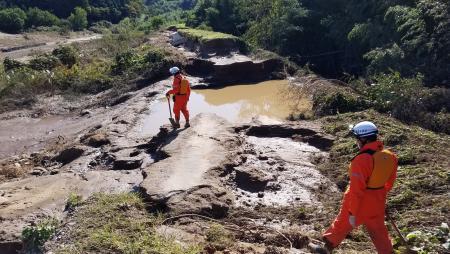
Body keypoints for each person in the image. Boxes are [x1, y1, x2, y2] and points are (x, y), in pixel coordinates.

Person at [309, 121, 398, 254]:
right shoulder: (390, 155)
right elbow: (390, 182)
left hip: (360, 201)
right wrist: (380, 199)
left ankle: (324, 250)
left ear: (364, 139)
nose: (356, 141)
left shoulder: (362, 160)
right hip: (378, 199)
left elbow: (357, 190)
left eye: (357, 138)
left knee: (341, 224)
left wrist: (352, 212)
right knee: (379, 230)